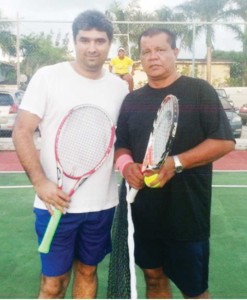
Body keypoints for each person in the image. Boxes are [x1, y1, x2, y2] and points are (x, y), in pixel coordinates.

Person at [12, 10, 128, 299]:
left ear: (109, 44)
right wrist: (40, 183)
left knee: (88, 272)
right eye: (84, 39)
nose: (92, 47)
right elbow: (22, 131)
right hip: (54, 204)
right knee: (54, 284)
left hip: (102, 205)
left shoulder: (120, 88)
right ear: (74, 41)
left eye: (99, 41)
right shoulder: (48, 77)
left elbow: (121, 142)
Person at [114, 28, 235, 299]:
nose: (153, 57)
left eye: (160, 50)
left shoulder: (199, 91)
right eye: (146, 52)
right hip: (144, 214)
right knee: (153, 279)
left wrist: (175, 162)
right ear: (139, 58)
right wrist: (126, 166)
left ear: (175, 53)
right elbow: (121, 144)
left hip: (188, 215)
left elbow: (224, 142)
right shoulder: (132, 101)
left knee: (195, 291)